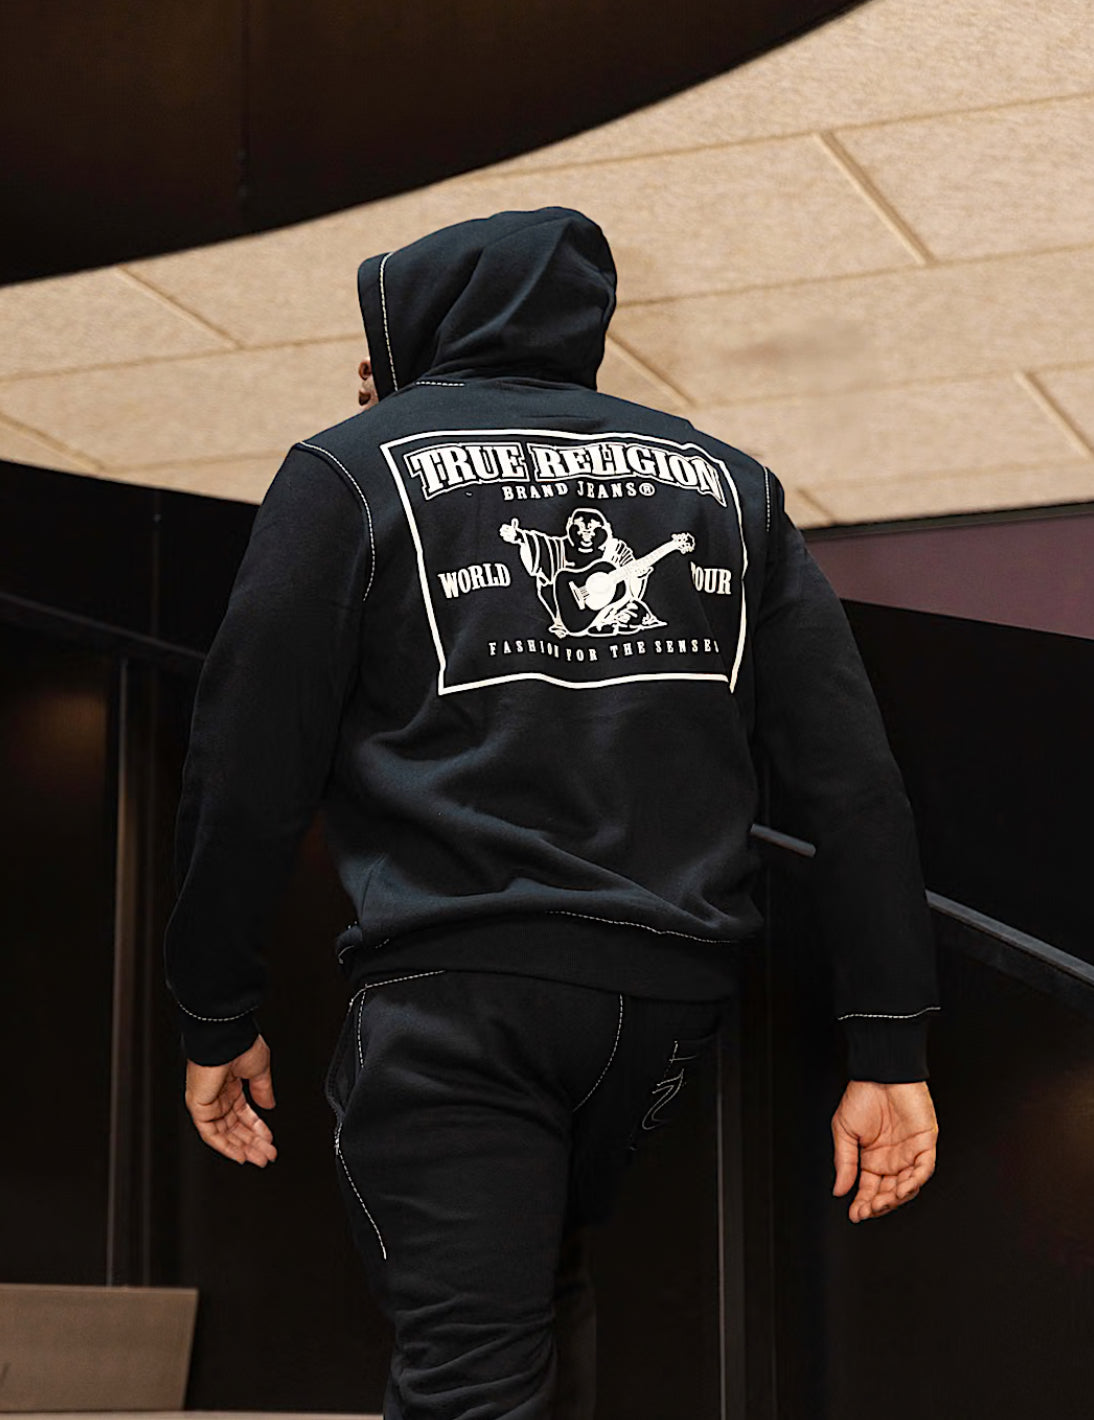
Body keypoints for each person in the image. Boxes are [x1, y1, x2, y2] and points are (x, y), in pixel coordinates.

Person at [166, 206, 941, 1420]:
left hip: (460, 996)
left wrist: (214, 1008)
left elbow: (244, 767)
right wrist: (887, 1044)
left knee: (472, 1378)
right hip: (664, 1014)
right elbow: (849, 778)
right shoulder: (726, 484)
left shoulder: (352, 468)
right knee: (537, 1303)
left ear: (422, 323)